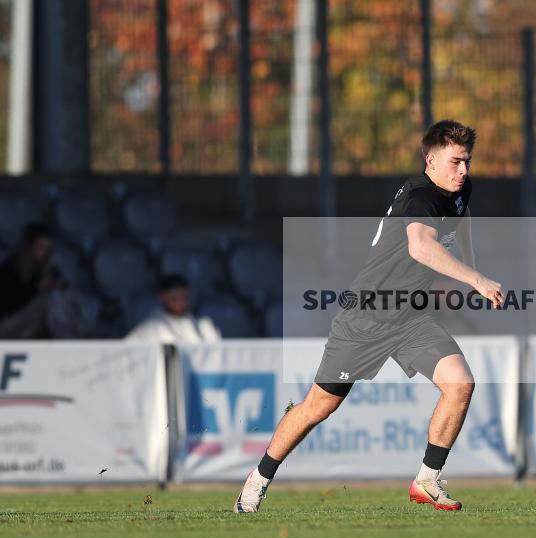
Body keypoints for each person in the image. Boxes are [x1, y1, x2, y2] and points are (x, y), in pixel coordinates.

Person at [234, 120, 503, 513]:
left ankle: (427, 481)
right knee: (317, 408)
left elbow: (462, 225)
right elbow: (421, 248)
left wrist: (469, 267)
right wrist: (476, 279)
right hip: (366, 317)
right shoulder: (420, 196)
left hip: (411, 318)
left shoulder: (459, 191)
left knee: (461, 383)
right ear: (430, 160)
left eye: (468, 162)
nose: (464, 170)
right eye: (456, 162)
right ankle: (257, 479)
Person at [0, 222, 62, 338]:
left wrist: (57, 285)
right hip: (8, 323)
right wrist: (37, 288)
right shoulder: (9, 268)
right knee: (47, 301)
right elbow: (7, 306)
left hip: (35, 325)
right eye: (40, 247)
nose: (43, 253)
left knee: (59, 297)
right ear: (28, 246)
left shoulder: (50, 270)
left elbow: (63, 287)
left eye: (47, 249)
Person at [126, 274, 221, 343]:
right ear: (162, 297)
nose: (179, 302)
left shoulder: (204, 326)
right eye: (174, 298)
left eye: (183, 297)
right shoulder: (150, 328)